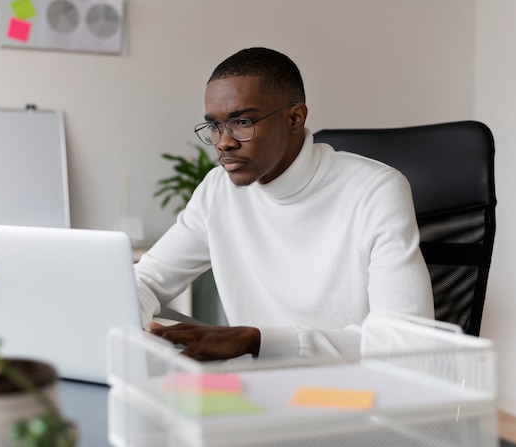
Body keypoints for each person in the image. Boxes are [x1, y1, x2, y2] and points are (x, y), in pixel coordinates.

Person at [135, 47, 434, 362]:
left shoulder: (374, 190)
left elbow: (405, 341)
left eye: (242, 121)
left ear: (295, 118)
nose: (224, 141)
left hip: (359, 398)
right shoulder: (218, 191)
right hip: (259, 395)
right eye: (214, 126)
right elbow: (147, 279)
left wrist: (258, 341)